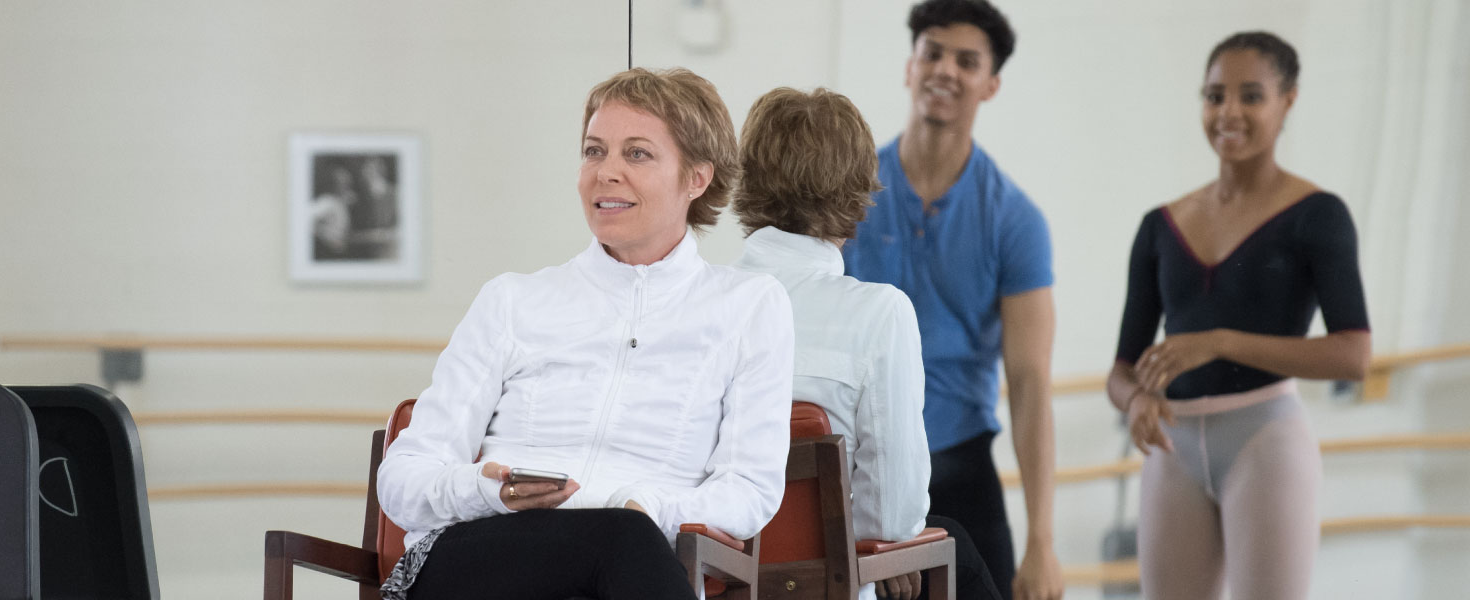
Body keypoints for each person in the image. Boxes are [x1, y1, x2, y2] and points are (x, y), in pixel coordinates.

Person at [374, 68, 795, 600]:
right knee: (624, 541)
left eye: (637, 154)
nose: (606, 172)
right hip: (483, 554)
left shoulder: (750, 306)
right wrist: (487, 490)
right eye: (594, 151)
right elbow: (402, 478)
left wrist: (653, 506)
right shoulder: (511, 300)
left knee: (626, 537)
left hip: (632, 557)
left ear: (696, 178)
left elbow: (749, 489)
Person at [1107, 31, 1370, 600]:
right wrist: (1137, 401)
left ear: (1288, 101)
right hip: (1171, 448)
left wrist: (1220, 341)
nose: (1228, 112)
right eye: (1214, 96)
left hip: (1265, 440)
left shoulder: (1318, 216)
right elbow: (1120, 371)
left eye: (1251, 96)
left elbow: (1353, 355)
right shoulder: (1160, 225)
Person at [731, 86, 1003, 600]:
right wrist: (886, 542)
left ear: (745, 178)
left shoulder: (702, 303)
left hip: (721, 578)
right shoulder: (880, 313)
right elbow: (895, 512)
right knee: (957, 548)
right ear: (857, 191)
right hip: (834, 582)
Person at [840, 1, 1062, 598]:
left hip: (960, 468)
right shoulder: (848, 195)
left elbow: (1030, 382)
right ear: (909, 67)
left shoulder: (1014, 219)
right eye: (933, 53)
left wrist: (1042, 541)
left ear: (990, 84)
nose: (945, 70)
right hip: (853, 469)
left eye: (967, 61)